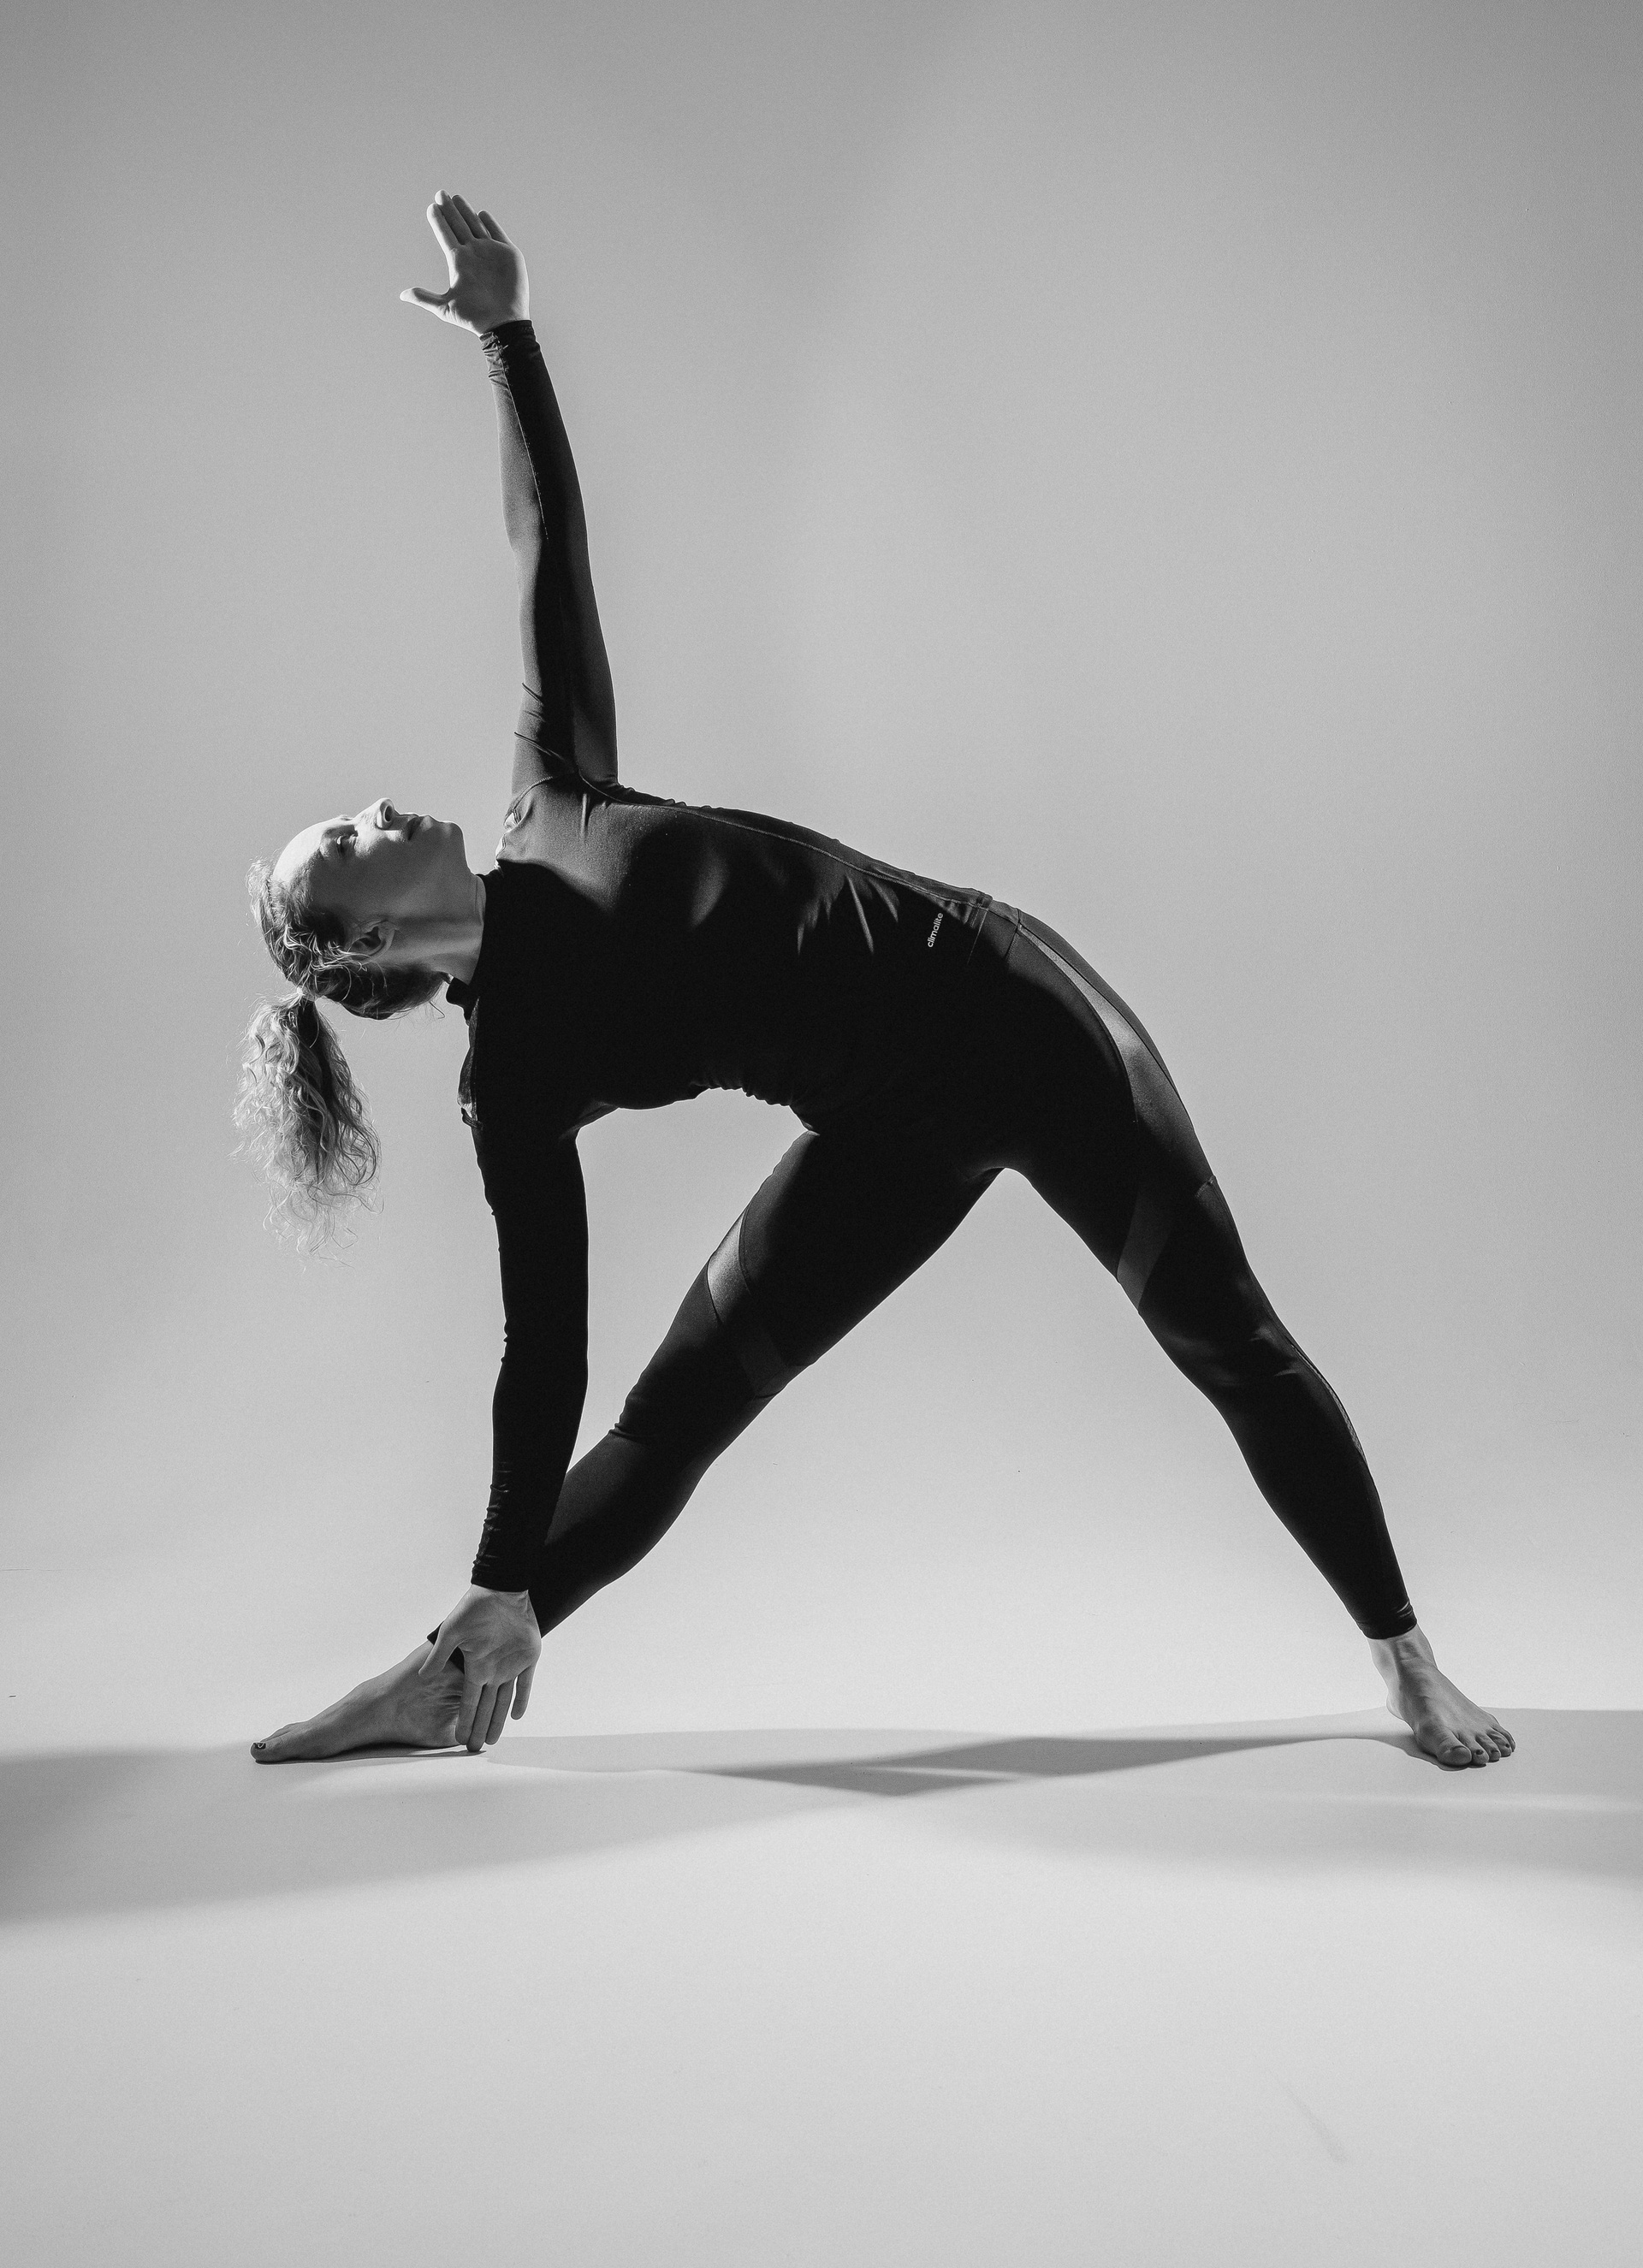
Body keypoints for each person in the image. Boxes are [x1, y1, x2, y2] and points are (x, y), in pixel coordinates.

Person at [241, 192, 1514, 1773]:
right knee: (668, 1420)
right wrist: (509, 1569)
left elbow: (547, 548)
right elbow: (542, 1353)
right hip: (884, 1133)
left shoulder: (550, 799)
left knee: (1225, 1339)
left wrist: (507, 334)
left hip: (1016, 1016)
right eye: (346, 843)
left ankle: (1407, 1662)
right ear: (362, 949)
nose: (376, 807)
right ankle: (458, 1652)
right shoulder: (511, 1080)